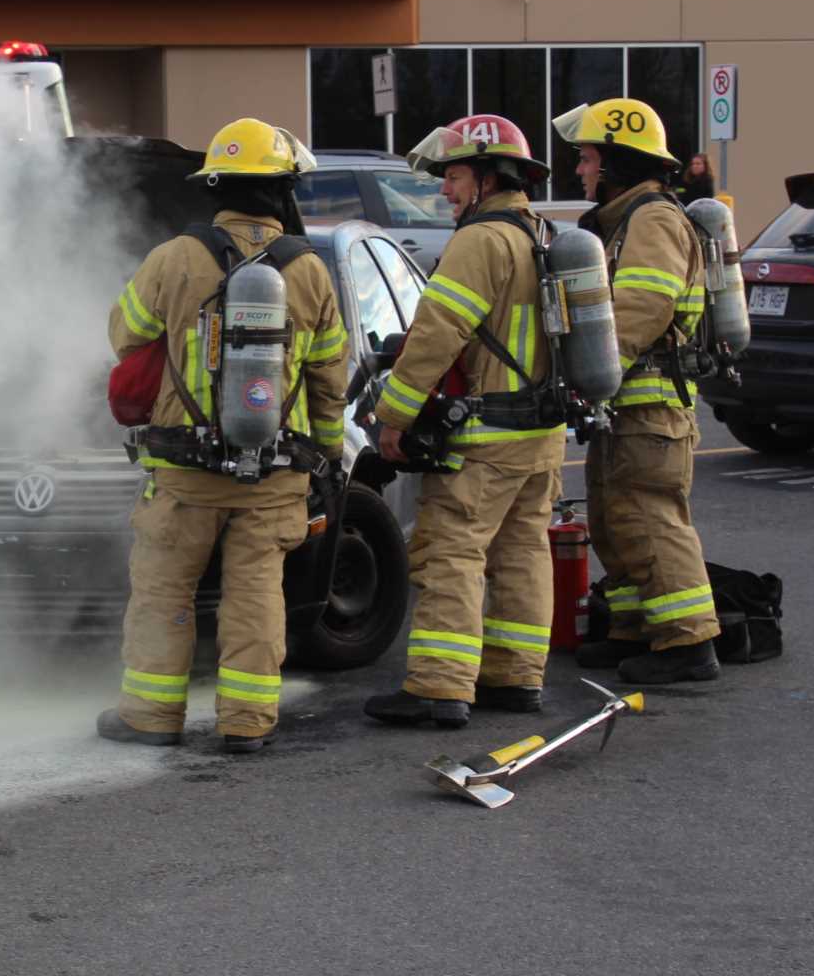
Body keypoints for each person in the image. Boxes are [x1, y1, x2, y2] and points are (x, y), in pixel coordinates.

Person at [97, 117, 349, 754]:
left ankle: (151, 718)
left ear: (215, 188)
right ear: (282, 190)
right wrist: (324, 453)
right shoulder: (310, 271)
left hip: (184, 469)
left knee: (164, 588)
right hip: (277, 467)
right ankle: (246, 724)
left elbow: (125, 336)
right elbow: (328, 374)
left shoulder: (172, 258)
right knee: (258, 593)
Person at [361, 115, 564, 729]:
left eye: (451, 177)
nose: (444, 190)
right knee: (523, 551)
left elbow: (435, 335)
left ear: (485, 175)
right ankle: (514, 677)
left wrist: (392, 415)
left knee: (451, 550)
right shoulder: (543, 233)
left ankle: (439, 688)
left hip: (485, 437)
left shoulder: (482, 240)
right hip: (540, 433)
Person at [555, 98, 720, 684]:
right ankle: (634, 628)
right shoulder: (625, 220)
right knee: (614, 517)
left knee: (650, 517)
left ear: (618, 160)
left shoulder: (654, 219)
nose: (581, 171)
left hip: (650, 404)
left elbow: (643, 305)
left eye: (589, 158)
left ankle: (688, 643)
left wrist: (596, 368)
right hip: (624, 404)